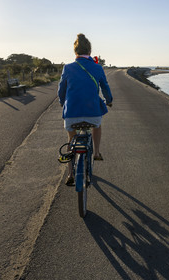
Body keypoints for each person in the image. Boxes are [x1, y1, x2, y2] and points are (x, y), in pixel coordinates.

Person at [58, 33, 113, 186]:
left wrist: (63, 103)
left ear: (75, 51)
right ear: (89, 50)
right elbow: (105, 88)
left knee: (71, 139)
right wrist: (109, 101)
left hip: (71, 114)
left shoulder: (67, 68)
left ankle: (70, 173)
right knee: (97, 125)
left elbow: (61, 90)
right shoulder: (97, 68)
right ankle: (96, 152)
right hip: (92, 114)